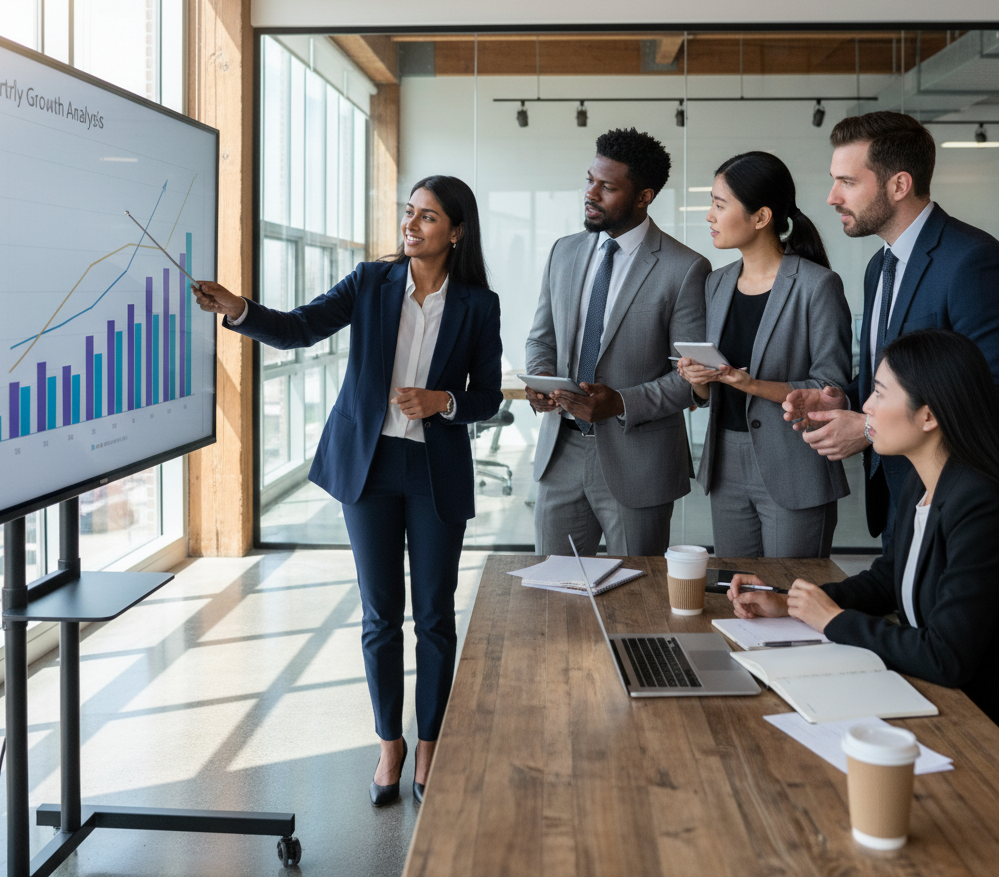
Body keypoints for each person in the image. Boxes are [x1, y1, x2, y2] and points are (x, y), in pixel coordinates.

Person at [194, 176, 502, 805]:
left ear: (457, 231)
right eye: (408, 213)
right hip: (370, 466)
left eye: (428, 217)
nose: (411, 226)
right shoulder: (370, 282)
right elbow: (300, 328)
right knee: (380, 615)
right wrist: (238, 309)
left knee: (436, 617)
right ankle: (390, 743)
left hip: (435, 471)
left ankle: (431, 746)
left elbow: (489, 395)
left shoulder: (478, 302)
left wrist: (443, 400)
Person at [730, 329, 999, 726]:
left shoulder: (979, 503)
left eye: (879, 392)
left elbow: (946, 656)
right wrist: (790, 605)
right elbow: (888, 581)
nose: (866, 406)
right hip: (927, 697)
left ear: (929, 415)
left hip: (974, 722)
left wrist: (833, 620)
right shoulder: (918, 483)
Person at [783, 111, 999, 549]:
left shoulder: (971, 261)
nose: (831, 196)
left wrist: (866, 428)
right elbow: (902, 376)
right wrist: (842, 396)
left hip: (954, 506)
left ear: (898, 185)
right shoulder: (877, 267)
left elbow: (986, 393)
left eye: (847, 181)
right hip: (898, 500)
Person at [524, 127, 710, 556]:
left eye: (607, 187)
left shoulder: (685, 269)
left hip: (639, 460)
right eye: (590, 179)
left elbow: (692, 379)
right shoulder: (563, 251)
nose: (590, 193)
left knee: (637, 602)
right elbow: (541, 338)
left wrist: (620, 402)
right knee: (556, 595)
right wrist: (543, 380)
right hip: (561, 452)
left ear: (644, 196)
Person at [677, 151, 850, 557]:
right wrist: (699, 382)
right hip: (725, 462)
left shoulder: (816, 285)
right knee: (742, 598)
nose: (709, 215)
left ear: (761, 217)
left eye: (720, 205)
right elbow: (707, 394)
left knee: (791, 599)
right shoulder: (716, 284)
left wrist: (752, 385)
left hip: (794, 463)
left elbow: (832, 389)